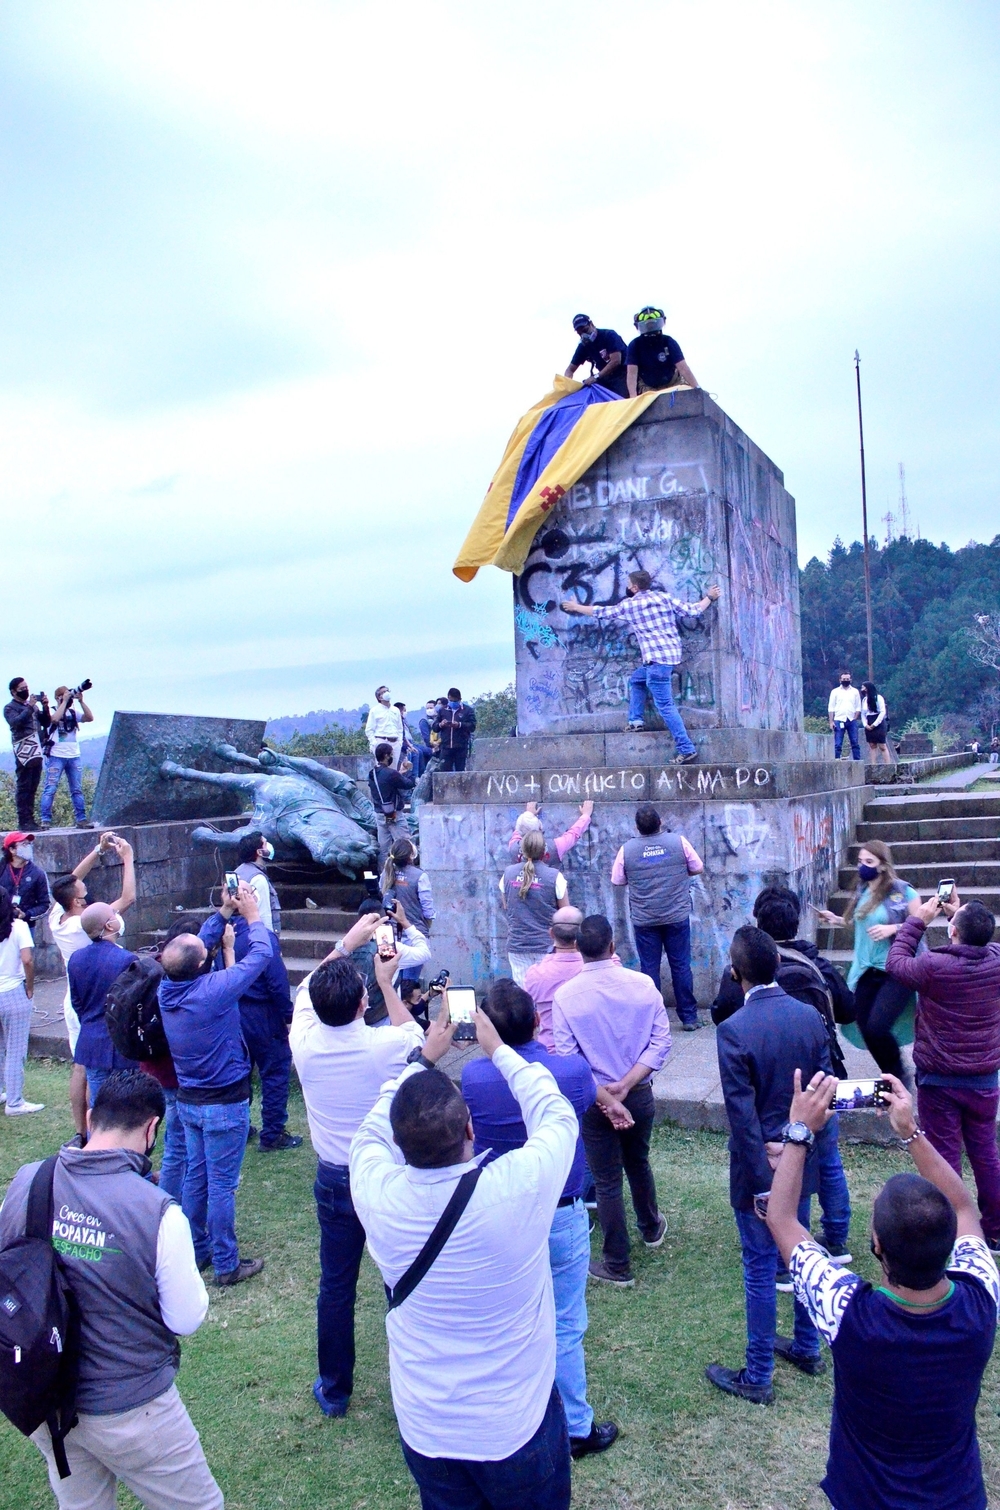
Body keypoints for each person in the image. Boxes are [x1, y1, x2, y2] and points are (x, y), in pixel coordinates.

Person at [350, 993, 578, 1510]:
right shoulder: (516, 1187)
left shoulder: (377, 1195)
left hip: (427, 1423)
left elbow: (369, 1130)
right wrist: (499, 1051)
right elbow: (555, 1113)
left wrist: (421, 1060)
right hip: (515, 1422)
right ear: (470, 1129)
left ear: (399, 1144)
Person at [767, 1069, 999, 1510]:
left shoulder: (847, 1310)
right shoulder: (981, 1299)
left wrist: (799, 1132)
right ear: (951, 1245)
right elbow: (965, 1206)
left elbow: (781, 1220)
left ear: (877, 1246)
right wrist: (911, 1132)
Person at [0, 1068, 222, 1509]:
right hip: (132, 1410)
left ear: (89, 1115)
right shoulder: (158, 1213)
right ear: (152, 1128)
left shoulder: (29, 1178)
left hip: (46, 1399)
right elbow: (185, 1317)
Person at [462, 978, 620, 1461]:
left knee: (505, 1318)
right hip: (559, 1213)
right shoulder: (571, 1072)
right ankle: (574, 1425)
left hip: (499, 1216)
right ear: (537, 1022)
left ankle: (510, 1413)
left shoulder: (473, 1077)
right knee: (565, 1322)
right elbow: (586, 1089)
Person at [290, 919, 424, 1417]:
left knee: (336, 1285)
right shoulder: (384, 1046)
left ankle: (334, 1389)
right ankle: (412, 1382)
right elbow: (416, 1037)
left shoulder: (302, 1040)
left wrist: (346, 941)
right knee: (402, 1280)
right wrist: (386, 981)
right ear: (361, 1004)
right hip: (386, 1175)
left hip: (334, 1176)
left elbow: (306, 988)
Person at [705, 925, 832, 1403]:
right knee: (799, 1254)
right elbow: (825, 1090)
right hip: (801, 1157)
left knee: (760, 1266)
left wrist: (763, 1173)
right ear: (777, 966)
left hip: (763, 1165)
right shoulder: (807, 1017)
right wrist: (798, 1142)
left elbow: (742, 1116)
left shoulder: (734, 1030)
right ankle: (806, 1345)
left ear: (736, 974)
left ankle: (758, 1374)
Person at [713, 885, 854, 1263]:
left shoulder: (740, 980)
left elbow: (721, 1012)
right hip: (815, 1095)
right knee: (827, 1160)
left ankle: (785, 1254)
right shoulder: (815, 965)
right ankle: (835, 1238)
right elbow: (848, 1008)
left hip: (764, 1094)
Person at [158, 880, 273, 1286]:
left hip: (189, 1101)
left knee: (197, 1176)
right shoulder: (215, 991)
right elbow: (260, 955)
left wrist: (224, 912)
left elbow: (195, 948)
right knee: (222, 1185)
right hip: (224, 1102)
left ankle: (197, 1249)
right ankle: (226, 1263)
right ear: (204, 964)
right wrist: (253, 917)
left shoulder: (166, 989)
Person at [552, 914, 671, 1285]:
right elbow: (661, 1042)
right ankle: (650, 1226)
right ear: (613, 946)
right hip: (637, 1093)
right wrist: (627, 1083)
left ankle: (617, 1262)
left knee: (606, 1180)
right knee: (638, 1161)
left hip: (594, 1101)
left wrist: (605, 1095)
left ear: (577, 950)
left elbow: (569, 1060)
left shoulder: (565, 996)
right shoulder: (643, 985)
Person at [887, 889, 1000, 1248]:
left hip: (940, 1080)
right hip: (984, 1079)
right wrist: (960, 917)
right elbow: (984, 942)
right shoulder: (996, 959)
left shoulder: (935, 966)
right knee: (986, 1155)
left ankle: (950, 1232)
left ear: (952, 931)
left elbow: (896, 963)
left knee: (944, 1157)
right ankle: (995, 1232)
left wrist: (917, 921)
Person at [561, 570, 721, 762]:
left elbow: (601, 612)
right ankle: (636, 721)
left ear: (635, 587)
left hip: (655, 663)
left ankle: (686, 748)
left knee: (666, 707)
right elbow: (693, 610)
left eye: (629, 584)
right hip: (667, 659)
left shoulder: (631, 605)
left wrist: (576, 607)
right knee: (637, 680)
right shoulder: (664, 598)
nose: (627, 587)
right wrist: (709, 598)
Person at [49, 834, 136, 1138]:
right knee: (94, 1067)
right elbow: (126, 900)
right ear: (78, 902)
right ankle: (102, 1127)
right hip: (98, 990)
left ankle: (83, 1131)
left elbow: (72, 879)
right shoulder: (83, 923)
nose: (84, 887)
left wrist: (98, 850)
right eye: (82, 892)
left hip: (77, 992)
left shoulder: (56, 917)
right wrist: (127, 858)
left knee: (82, 1065)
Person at [814, 839, 921, 1080]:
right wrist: (835, 919)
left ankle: (897, 1075)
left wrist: (893, 928)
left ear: (883, 865)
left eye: (869, 862)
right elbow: (859, 922)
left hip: (896, 970)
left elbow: (919, 924)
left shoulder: (903, 892)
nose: (863, 867)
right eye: (861, 862)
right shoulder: (863, 890)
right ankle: (889, 1074)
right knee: (864, 1026)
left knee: (877, 1027)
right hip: (866, 970)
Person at [611, 802, 704, 1031]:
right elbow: (698, 867)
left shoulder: (627, 849)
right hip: (676, 915)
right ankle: (689, 1018)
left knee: (649, 968)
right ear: (660, 822)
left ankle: (652, 1019)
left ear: (637, 827)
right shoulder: (678, 842)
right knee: (681, 965)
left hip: (645, 919)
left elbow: (617, 880)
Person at [216, 904, 301, 1152]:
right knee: (274, 1072)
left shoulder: (222, 934)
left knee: (239, 1072)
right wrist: (287, 1014)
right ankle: (273, 1133)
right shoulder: (261, 937)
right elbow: (277, 981)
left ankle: (239, 1128)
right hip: (262, 1013)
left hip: (234, 1012)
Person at [68, 902, 139, 1109]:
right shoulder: (126, 959)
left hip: (91, 1040)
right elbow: (132, 1003)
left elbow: (77, 1002)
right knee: (125, 1105)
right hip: (121, 1042)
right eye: (114, 914)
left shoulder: (76, 958)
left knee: (99, 1105)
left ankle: (96, 1139)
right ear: (109, 926)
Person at [345, 896, 432, 1026]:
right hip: (382, 1018)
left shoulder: (347, 945)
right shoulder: (387, 947)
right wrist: (404, 921)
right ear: (384, 919)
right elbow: (424, 953)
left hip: (354, 1019)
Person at [500, 828, 569, 985]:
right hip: (546, 946)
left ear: (522, 851)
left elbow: (506, 906)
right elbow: (566, 916)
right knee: (547, 993)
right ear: (545, 852)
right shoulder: (555, 876)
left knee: (523, 997)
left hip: (517, 945)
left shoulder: (508, 873)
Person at [0, 888, 41, 1115]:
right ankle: (14, 1102)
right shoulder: (19, 928)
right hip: (13, 990)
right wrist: (30, 986)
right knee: (16, 1049)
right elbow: (27, 960)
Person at [524, 906, 585, 1051]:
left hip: (550, 1050)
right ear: (582, 934)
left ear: (551, 934)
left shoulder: (535, 974)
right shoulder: (596, 968)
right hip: (588, 1051)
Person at [39, 684, 95, 829]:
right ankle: (45, 820)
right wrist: (63, 702)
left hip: (74, 755)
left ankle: (81, 819)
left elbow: (89, 718)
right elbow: (54, 720)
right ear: (58, 698)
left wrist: (81, 701)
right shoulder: (52, 711)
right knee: (50, 788)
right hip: (56, 755)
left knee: (77, 789)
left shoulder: (72, 712)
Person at [3, 676, 50, 828]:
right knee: (24, 784)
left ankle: (31, 819)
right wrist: (29, 707)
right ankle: (23, 821)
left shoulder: (34, 707)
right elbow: (15, 723)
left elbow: (46, 722)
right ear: (13, 691)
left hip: (36, 747)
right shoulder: (9, 708)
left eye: (26, 688)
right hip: (23, 748)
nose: (26, 691)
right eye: (22, 689)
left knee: (34, 784)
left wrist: (45, 707)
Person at [624, 306, 700, 397]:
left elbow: (683, 368)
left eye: (653, 324)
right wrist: (633, 397)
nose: (650, 327)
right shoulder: (634, 345)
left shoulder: (668, 341)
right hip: (649, 389)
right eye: (647, 325)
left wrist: (697, 388)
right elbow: (632, 374)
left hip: (674, 384)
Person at [368, 742, 415, 863]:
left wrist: (400, 773)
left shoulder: (372, 773)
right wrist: (409, 770)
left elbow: (386, 783)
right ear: (386, 756)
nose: (392, 757)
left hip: (379, 814)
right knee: (405, 845)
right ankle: (406, 873)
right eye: (391, 754)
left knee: (384, 848)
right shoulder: (391, 773)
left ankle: (385, 875)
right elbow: (408, 784)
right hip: (394, 814)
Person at [506, 800, 593, 864]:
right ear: (540, 828)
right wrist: (586, 815)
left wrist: (528, 815)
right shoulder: (555, 847)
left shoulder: (512, 846)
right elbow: (573, 834)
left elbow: (520, 830)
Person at [564, 313, 629, 398]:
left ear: (591, 324)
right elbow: (570, 370)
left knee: (620, 399)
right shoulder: (583, 346)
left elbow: (616, 361)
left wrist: (596, 377)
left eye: (585, 330)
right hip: (604, 378)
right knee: (586, 392)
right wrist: (567, 386)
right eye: (579, 333)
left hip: (624, 374)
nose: (583, 335)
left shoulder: (609, 335)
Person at [0, 829, 50, 927]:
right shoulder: (2, 868)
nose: (28, 847)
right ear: (12, 850)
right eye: (24, 844)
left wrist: (26, 915)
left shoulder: (38, 873)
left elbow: (45, 905)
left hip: (26, 926)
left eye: (29, 844)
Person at [235, 828, 281, 934]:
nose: (269, 846)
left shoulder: (238, 872)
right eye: (265, 844)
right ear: (259, 852)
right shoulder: (258, 878)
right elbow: (264, 915)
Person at [432, 687, 477, 773]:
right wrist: (441, 724)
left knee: (460, 772)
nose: (453, 702)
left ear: (460, 699)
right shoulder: (443, 711)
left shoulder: (467, 711)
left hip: (461, 747)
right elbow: (435, 727)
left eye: (455, 701)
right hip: (446, 747)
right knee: (444, 772)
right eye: (451, 700)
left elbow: (472, 726)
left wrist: (459, 725)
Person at [828, 670, 862, 761]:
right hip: (839, 719)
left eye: (847, 679)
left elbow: (858, 707)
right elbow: (831, 708)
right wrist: (831, 722)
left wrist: (854, 718)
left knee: (854, 742)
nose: (845, 680)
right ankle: (836, 760)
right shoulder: (835, 692)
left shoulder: (855, 692)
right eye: (844, 679)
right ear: (840, 680)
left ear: (850, 680)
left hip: (851, 720)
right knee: (838, 743)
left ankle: (857, 761)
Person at [365, 684, 404, 765]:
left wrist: (400, 742)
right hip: (381, 741)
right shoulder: (374, 710)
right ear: (379, 697)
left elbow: (400, 728)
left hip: (395, 743)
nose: (386, 693)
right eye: (383, 692)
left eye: (387, 691)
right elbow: (369, 729)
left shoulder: (395, 710)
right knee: (382, 768)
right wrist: (375, 743)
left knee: (393, 769)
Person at [859, 679, 891, 765]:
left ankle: (888, 765)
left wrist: (874, 724)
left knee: (882, 745)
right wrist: (865, 725)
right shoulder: (864, 700)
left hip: (879, 723)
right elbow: (863, 714)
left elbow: (882, 712)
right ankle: (873, 765)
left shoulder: (879, 698)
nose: (862, 689)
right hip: (868, 722)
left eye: (863, 687)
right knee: (872, 745)